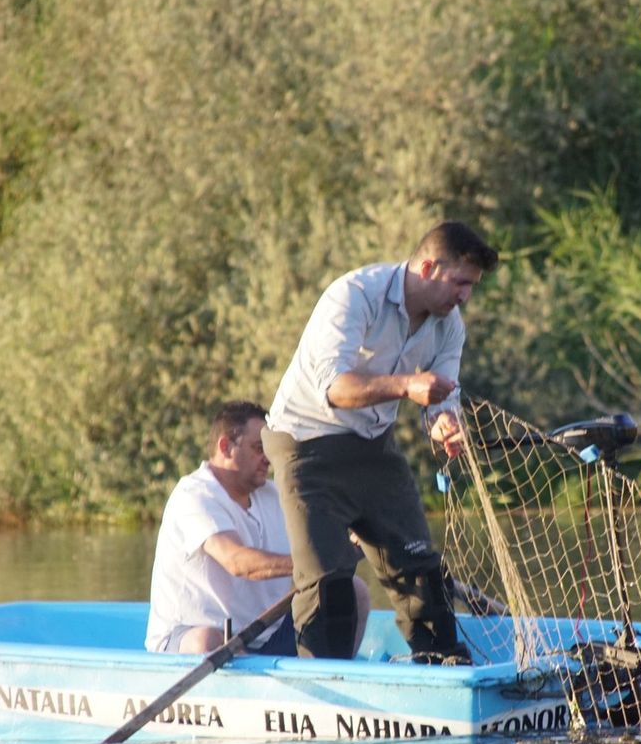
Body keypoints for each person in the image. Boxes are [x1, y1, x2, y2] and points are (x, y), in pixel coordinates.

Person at [264, 220, 499, 661]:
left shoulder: (450, 325)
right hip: (304, 444)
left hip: (372, 446)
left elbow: (443, 397)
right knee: (329, 583)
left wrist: (443, 423)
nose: (465, 296)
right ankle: (324, 684)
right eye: (460, 283)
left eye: (471, 287)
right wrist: (408, 387)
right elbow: (336, 390)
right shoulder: (352, 296)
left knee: (421, 570)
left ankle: (442, 668)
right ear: (428, 267)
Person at [147, 401, 368, 656]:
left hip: (266, 638)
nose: (268, 459)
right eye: (258, 448)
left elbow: (324, 532)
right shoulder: (195, 495)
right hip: (191, 640)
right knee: (205, 640)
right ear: (225, 447)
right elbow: (238, 562)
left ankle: (338, 678)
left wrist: (353, 536)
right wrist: (313, 564)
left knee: (353, 591)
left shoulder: (275, 495)